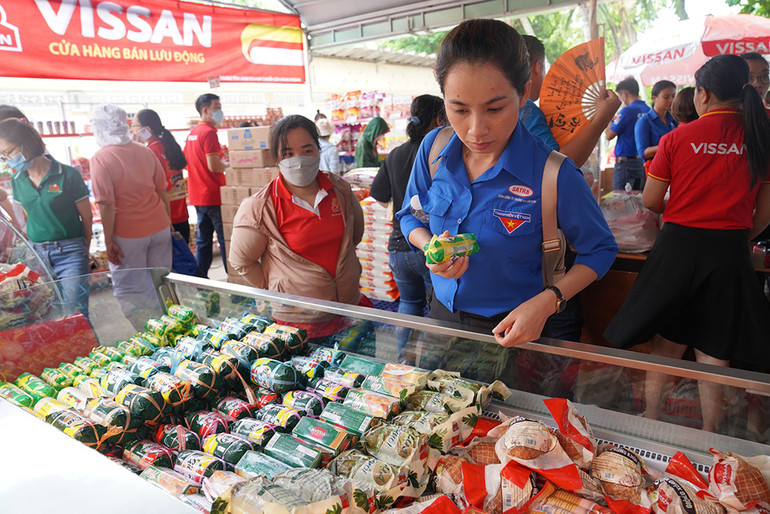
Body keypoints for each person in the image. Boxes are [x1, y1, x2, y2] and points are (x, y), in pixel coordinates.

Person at [396, 19, 618, 349]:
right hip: (442, 321)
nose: (476, 130)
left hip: (518, 331)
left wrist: (550, 300)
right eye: (458, 109)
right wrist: (430, 247)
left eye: (495, 108)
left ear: (524, 92)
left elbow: (600, 249)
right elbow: (410, 215)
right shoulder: (433, 150)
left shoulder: (552, 174)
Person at [604, 55, 770, 432]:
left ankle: (650, 422)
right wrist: (735, 234)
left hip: (677, 246)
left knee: (667, 342)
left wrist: (682, 208)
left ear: (703, 94)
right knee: (715, 349)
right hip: (729, 251)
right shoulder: (760, 137)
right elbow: (764, 213)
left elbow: (649, 201)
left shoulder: (677, 137)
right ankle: (713, 438)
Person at [520, 34, 621, 342]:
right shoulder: (528, 112)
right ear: (537, 68)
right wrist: (602, 118)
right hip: (545, 243)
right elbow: (562, 164)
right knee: (557, 342)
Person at [228, 115, 365, 336]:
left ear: (318, 151)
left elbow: (354, 235)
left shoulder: (340, 190)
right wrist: (279, 288)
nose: (299, 159)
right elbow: (241, 261)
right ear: (276, 159)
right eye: (288, 153)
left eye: (307, 150)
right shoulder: (261, 207)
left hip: (347, 309)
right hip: (299, 322)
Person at [370, 95, 446, 362]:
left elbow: (378, 196)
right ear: (439, 119)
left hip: (398, 247)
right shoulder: (439, 154)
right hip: (431, 247)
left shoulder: (395, 154)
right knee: (437, 310)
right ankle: (429, 365)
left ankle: (404, 360)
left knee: (408, 304)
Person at [89, 104, 172, 329]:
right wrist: (169, 222)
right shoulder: (144, 150)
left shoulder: (101, 158)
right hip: (159, 226)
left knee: (131, 290)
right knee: (162, 281)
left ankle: (149, 334)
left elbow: (106, 203)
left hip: (128, 234)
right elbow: (162, 189)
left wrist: (108, 240)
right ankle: (172, 326)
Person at [0, 119, 92, 317]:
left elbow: (86, 217)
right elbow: (20, 220)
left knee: (74, 311)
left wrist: (85, 248)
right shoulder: (17, 180)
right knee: (47, 312)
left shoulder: (67, 174)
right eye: (3, 155)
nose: (7, 158)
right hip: (38, 255)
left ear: (27, 142)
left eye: (9, 151)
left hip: (70, 252)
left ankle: (87, 347)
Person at [520, 35, 621, 166]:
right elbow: (558, 166)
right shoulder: (526, 109)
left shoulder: (504, 106)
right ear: (538, 67)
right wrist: (601, 119)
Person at [183, 93, 228, 278]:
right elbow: (214, 166)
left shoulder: (192, 133)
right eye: (216, 107)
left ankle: (201, 278)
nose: (220, 111)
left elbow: (186, 163)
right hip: (213, 193)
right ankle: (233, 277)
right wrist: (231, 166)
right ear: (205, 110)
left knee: (204, 239)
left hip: (198, 196)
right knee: (225, 239)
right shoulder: (209, 133)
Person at [133, 109, 190, 244]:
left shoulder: (151, 151)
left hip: (165, 217)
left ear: (146, 129)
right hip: (181, 213)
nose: (133, 130)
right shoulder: (169, 145)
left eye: (135, 126)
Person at [605, 77, 650, 190]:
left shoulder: (626, 111)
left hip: (625, 164)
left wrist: (609, 118)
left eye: (620, 96)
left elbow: (609, 135)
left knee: (621, 202)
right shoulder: (648, 110)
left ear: (624, 94)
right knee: (638, 202)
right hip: (641, 162)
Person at [635, 80, 677, 168]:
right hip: (654, 169)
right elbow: (643, 153)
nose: (671, 100)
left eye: (673, 96)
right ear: (654, 98)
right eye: (666, 97)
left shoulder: (674, 120)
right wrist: (667, 145)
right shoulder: (644, 122)